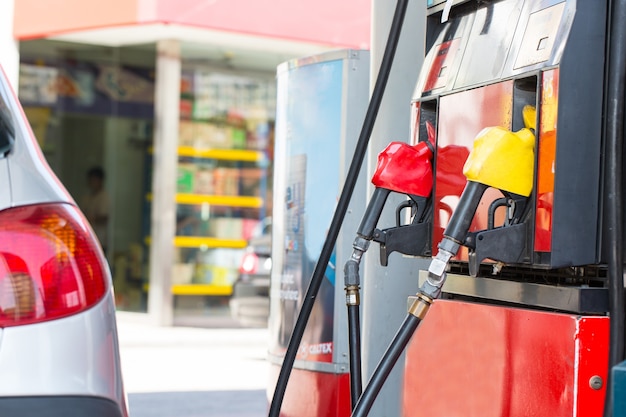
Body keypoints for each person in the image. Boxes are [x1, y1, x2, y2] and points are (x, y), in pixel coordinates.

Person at [82, 166, 110, 253]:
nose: (91, 183)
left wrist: (91, 218)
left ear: (100, 180)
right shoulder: (88, 197)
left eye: (94, 180)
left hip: (99, 240)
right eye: (90, 180)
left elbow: (104, 217)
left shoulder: (104, 197)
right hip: (88, 239)